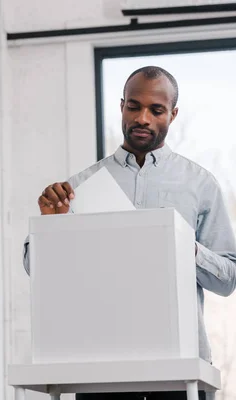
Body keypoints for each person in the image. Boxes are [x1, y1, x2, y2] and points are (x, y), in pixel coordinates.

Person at [23, 66, 236, 400]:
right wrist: (51, 226)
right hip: (101, 365)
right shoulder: (80, 187)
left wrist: (187, 247)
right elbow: (38, 270)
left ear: (173, 114)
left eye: (156, 110)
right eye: (134, 106)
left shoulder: (200, 184)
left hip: (182, 367)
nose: (143, 118)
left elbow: (228, 280)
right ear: (122, 105)